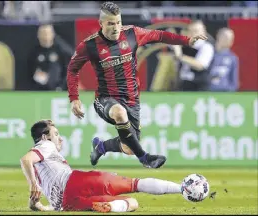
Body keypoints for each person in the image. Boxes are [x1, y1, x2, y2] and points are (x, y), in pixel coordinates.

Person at [67, 2, 207, 169]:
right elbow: (72, 70)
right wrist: (74, 98)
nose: (116, 27)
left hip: (132, 99)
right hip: (105, 99)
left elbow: (159, 35)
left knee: (128, 147)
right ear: (101, 24)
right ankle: (145, 158)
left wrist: (187, 40)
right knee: (119, 112)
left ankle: (101, 147)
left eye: (118, 22)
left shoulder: (132, 33)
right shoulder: (89, 45)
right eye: (111, 23)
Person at [20, 119, 184, 213]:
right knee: (135, 185)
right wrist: (33, 185)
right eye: (56, 134)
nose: (60, 139)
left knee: (131, 203)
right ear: (44, 137)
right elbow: (26, 159)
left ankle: (111, 206)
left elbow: (35, 204)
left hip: (68, 203)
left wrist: (36, 203)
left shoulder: (41, 170)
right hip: (78, 181)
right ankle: (183, 188)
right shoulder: (45, 145)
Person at [173, 20, 215, 91]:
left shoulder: (206, 47)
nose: (193, 34)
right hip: (184, 86)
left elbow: (200, 65)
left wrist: (180, 56)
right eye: (191, 31)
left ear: (203, 32)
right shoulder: (185, 47)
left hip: (199, 88)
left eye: (196, 31)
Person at [28, 24, 69, 91]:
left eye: (48, 33)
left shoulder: (60, 51)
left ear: (52, 34)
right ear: (38, 35)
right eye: (43, 33)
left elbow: (66, 71)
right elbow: (29, 72)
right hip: (38, 92)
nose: (46, 36)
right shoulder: (34, 52)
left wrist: (61, 87)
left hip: (57, 91)